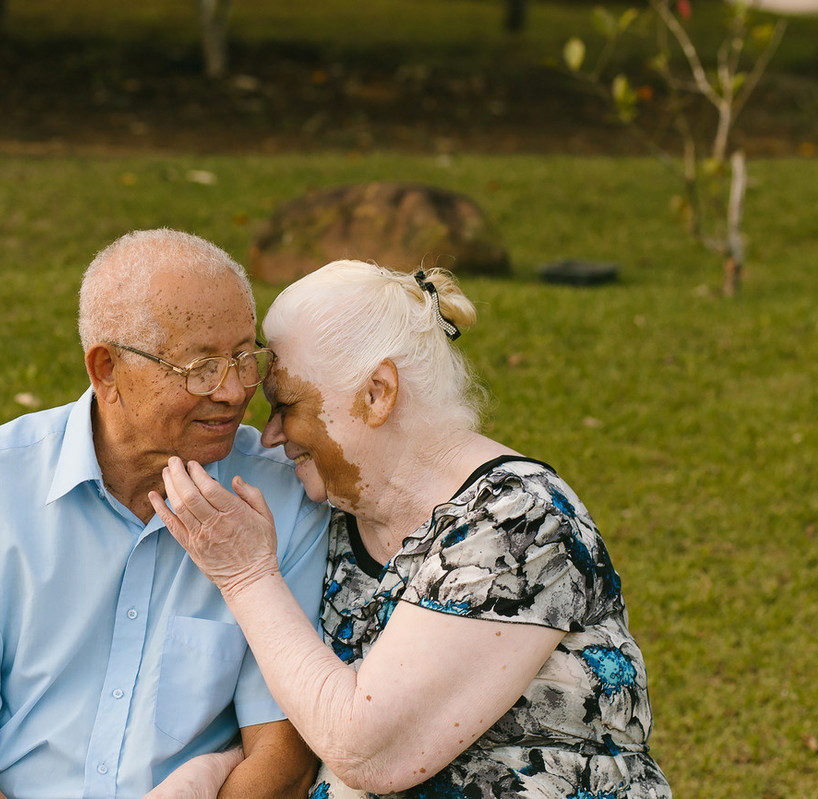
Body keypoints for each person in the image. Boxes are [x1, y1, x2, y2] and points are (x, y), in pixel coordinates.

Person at [148, 261, 672, 798]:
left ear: (378, 392)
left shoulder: (520, 525)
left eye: (288, 404)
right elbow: (304, 702)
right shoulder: (336, 516)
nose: (274, 434)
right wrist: (208, 774)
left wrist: (246, 576)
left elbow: (369, 751)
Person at [0, 229, 330, 798]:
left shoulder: (283, 497)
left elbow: (282, 760)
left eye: (243, 356)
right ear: (107, 369)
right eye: (201, 368)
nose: (235, 390)